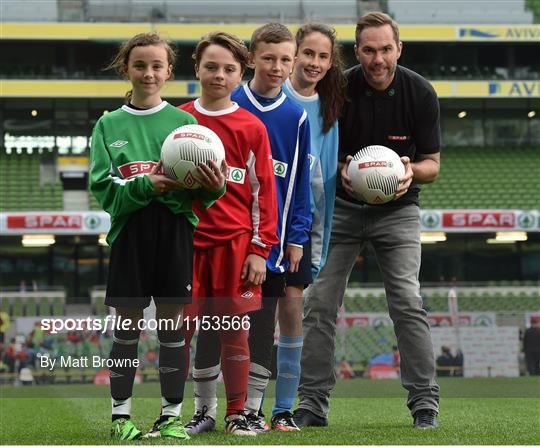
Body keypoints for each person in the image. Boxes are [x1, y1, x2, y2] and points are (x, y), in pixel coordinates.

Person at [293, 12, 441, 430]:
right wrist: (340, 167)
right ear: (357, 52)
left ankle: (424, 403)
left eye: (386, 49)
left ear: (399, 48)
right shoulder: (338, 87)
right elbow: (318, 143)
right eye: (369, 50)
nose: (378, 59)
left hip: (398, 210)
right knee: (318, 304)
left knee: (408, 303)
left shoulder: (420, 92)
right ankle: (312, 403)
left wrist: (411, 170)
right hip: (340, 209)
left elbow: (433, 163)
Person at [89, 32, 226, 441]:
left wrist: (215, 186)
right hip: (130, 233)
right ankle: (120, 418)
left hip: (174, 234)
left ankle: (170, 417)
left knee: (172, 329)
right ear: (126, 69)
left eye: (156, 66)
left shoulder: (186, 124)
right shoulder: (108, 125)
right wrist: (148, 186)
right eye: (139, 65)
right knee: (126, 329)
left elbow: (205, 191)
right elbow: (104, 190)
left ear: (169, 71)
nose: (148, 73)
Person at [157, 31, 277, 437]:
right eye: (211, 67)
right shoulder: (177, 121)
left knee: (233, 330)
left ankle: (238, 413)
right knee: (181, 330)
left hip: (235, 246)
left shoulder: (251, 127)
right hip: (187, 244)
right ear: (197, 69)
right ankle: (193, 412)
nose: (219, 75)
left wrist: (260, 249)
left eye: (229, 69)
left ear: (241, 73)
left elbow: (264, 194)